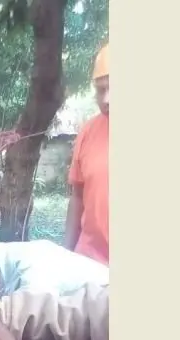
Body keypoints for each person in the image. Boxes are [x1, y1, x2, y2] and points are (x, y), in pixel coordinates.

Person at [65, 45, 109, 266]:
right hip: (90, 263)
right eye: (101, 89)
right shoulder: (88, 131)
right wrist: (68, 255)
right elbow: (77, 197)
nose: (107, 98)